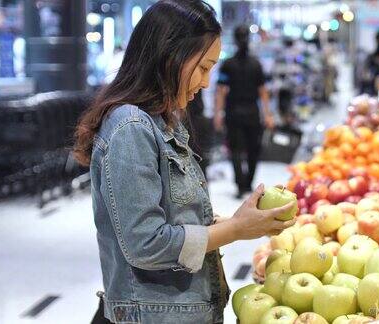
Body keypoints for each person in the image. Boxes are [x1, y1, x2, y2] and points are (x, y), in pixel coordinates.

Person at [73, 1, 295, 323]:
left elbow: (173, 219)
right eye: (203, 67)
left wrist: (236, 221)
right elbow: (146, 243)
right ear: (170, 56)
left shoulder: (164, 122)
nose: (206, 82)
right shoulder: (131, 127)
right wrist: (235, 230)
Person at [214, 25, 275, 199]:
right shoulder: (256, 64)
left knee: (235, 150)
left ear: (234, 39)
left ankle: (240, 185)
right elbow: (263, 92)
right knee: (253, 150)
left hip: (233, 112)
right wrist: (268, 114)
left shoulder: (228, 64)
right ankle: (248, 183)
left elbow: (221, 91)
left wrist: (218, 114)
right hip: (252, 113)